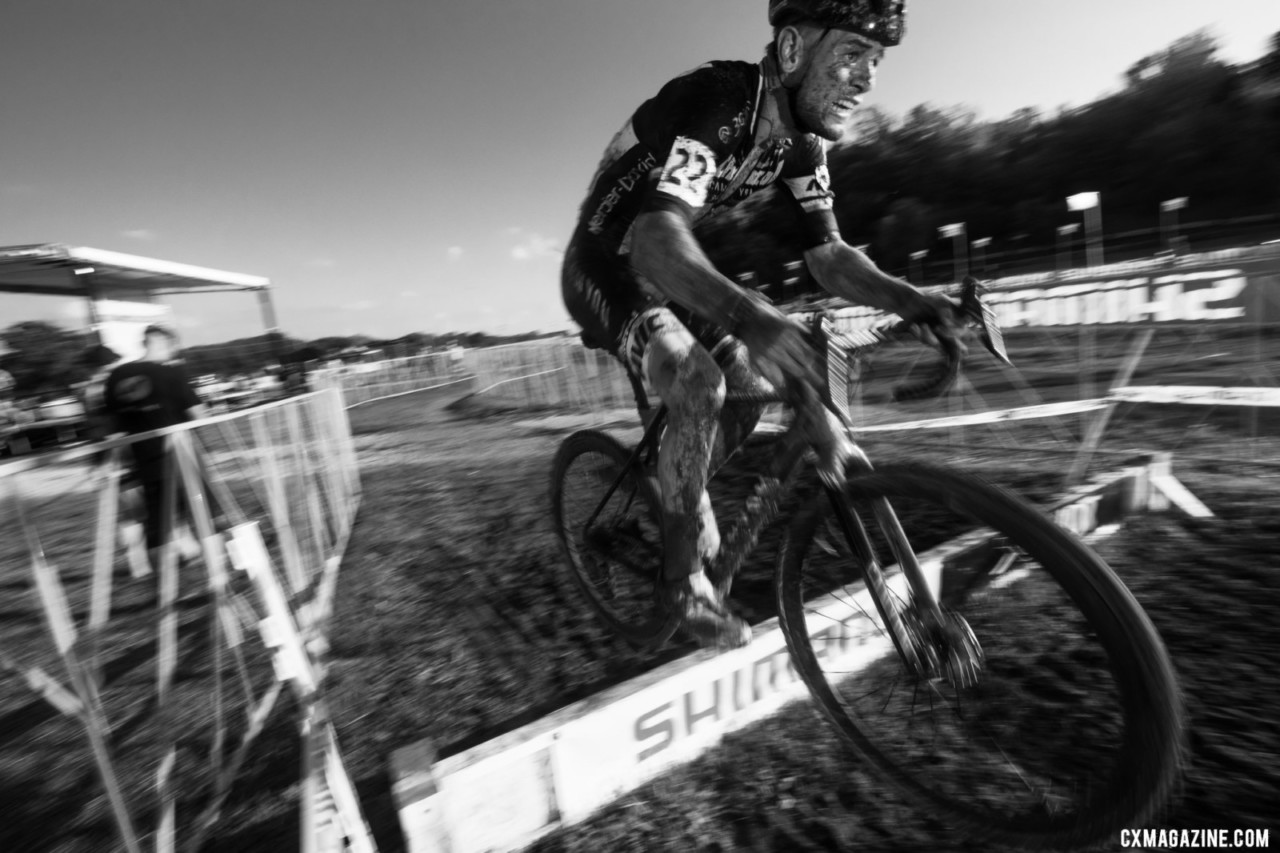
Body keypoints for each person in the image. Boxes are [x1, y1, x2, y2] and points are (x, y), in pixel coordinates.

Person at [561, 0, 963, 649]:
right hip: (608, 263)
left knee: (744, 394)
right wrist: (750, 316)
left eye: (877, 60)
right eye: (852, 54)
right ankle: (682, 576)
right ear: (795, 50)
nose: (867, 79)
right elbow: (654, 242)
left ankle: (675, 492)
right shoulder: (720, 102)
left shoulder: (802, 144)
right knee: (699, 385)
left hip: (668, 263)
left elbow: (829, 257)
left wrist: (914, 301)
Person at [103, 324, 208, 571]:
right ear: (163, 343)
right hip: (180, 455)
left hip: (142, 459)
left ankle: (163, 585)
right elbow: (199, 414)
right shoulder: (169, 374)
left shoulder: (115, 377)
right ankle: (217, 575)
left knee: (157, 521)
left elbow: (113, 423)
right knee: (202, 513)